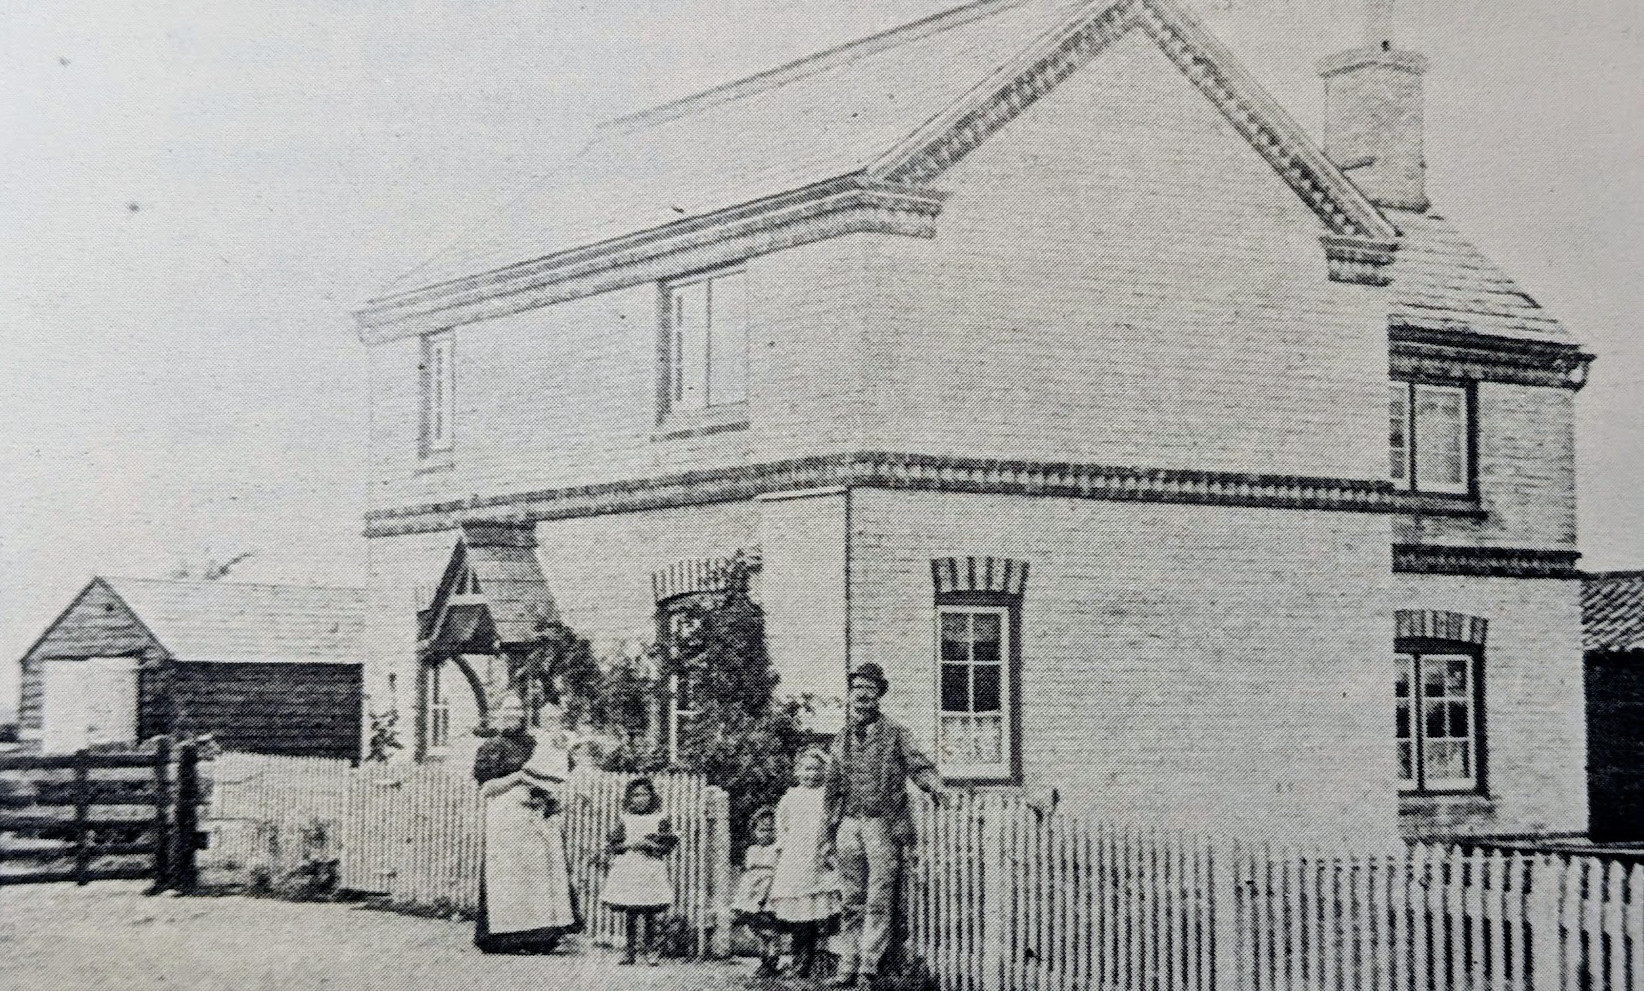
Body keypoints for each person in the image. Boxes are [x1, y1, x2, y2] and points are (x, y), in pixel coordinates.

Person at [826, 662, 945, 989]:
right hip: (848, 824)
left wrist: (936, 788)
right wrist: (828, 833)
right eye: (856, 688)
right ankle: (847, 964)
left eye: (869, 688)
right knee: (851, 897)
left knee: (879, 896)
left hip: (882, 824)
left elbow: (919, 766)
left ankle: (868, 967)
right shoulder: (841, 738)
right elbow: (831, 789)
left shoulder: (895, 733)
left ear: (879, 694)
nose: (861, 694)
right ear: (850, 695)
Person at [472, 692, 582, 954]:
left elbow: (557, 768)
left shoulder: (536, 742)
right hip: (505, 816)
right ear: (498, 714)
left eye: (518, 709)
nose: (514, 714)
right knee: (507, 876)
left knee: (537, 876)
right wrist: (520, 777)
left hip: (535, 815)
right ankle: (506, 938)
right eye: (508, 709)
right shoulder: (491, 747)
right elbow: (487, 789)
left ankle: (539, 937)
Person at [770, 746, 843, 979]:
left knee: (821, 910)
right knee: (798, 910)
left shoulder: (827, 796)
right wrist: (782, 850)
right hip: (795, 858)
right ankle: (799, 957)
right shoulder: (790, 797)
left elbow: (833, 823)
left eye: (817, 769)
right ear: (797, 771)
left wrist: (830, 847)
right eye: (806, 769)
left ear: (825, 771)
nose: (811, 774)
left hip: (819, 856)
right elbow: (782, 827)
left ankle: (821, 959)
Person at [601, 777, 677, 965]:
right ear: (630, 798)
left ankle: (651, 950)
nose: (640, 799)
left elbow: (667, 845)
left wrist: (651, 845)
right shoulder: (625, 819)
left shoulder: (660, 819)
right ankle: (629, 952)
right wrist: (629, 845)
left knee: (650, 909)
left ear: (651, 796)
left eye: (644, 794)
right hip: (629, 867)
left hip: (650, 868)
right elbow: (613, 845)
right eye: (635, 795)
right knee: (631, 910)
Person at [730, 806, 782, 977]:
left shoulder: (777, 849)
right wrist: (743, 897)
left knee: (770, 928)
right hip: (751, 893)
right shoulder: (751, 850)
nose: (765, 834)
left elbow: (775, 874)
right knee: (756, 927)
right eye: (761, 830)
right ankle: (763, 960)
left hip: (768, 892)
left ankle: (772, 961)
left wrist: (764, 894)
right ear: (754, 831)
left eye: (770, 830)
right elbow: (748, 874)